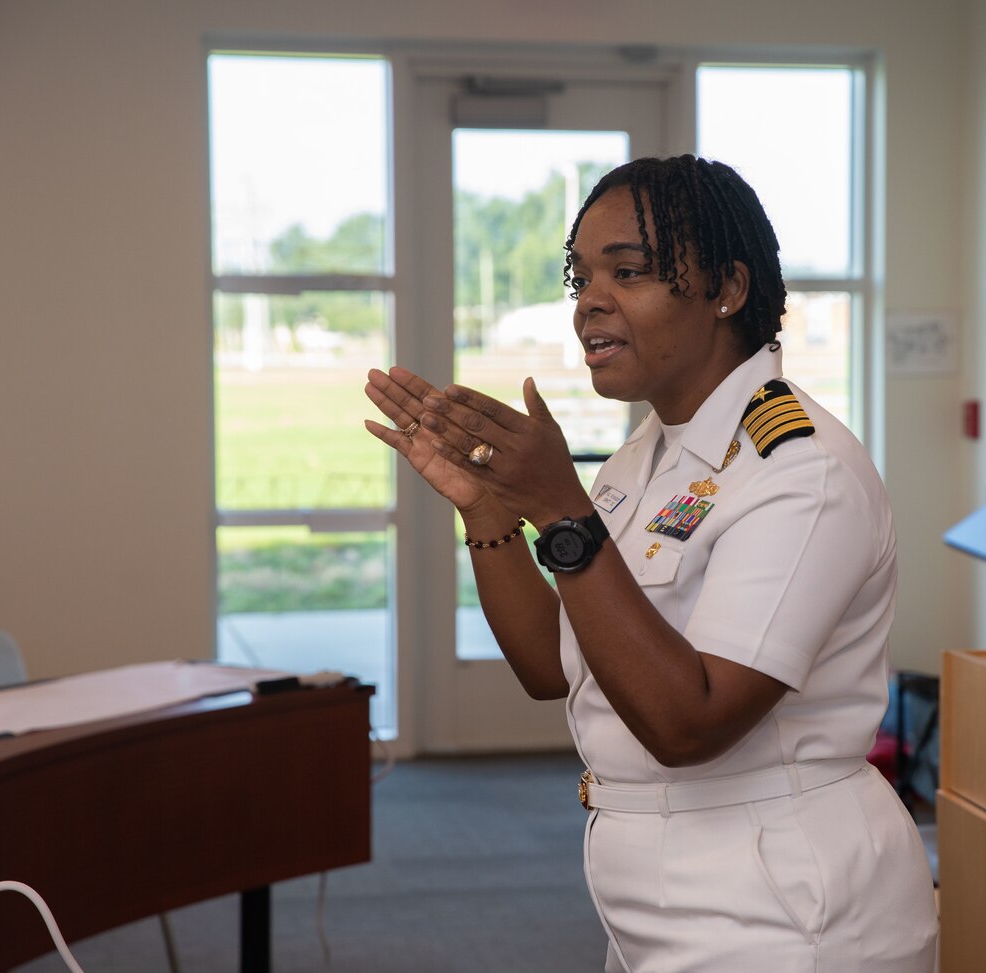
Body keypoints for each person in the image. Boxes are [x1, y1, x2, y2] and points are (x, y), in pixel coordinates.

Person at [364, 155, 938, 971]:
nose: (590, 301)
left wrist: (561, 510)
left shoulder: (802, 472)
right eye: (581, 277)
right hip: (662, 902)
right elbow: (552, 664)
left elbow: (690, 720)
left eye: (627, 272)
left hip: (786, 915)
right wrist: (490, 509)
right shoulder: (644, 458)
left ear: (727, 290)